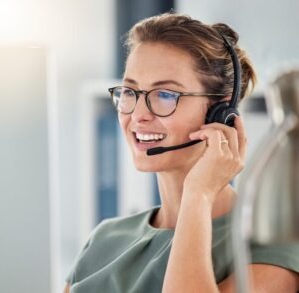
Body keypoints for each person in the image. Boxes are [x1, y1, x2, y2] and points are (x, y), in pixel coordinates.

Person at [64, 13, 299, 292]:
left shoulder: (269, 243)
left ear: (220, 113)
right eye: (130, 92)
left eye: (165, 95)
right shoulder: (105, 238)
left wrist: (198, 194)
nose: (138, 115)